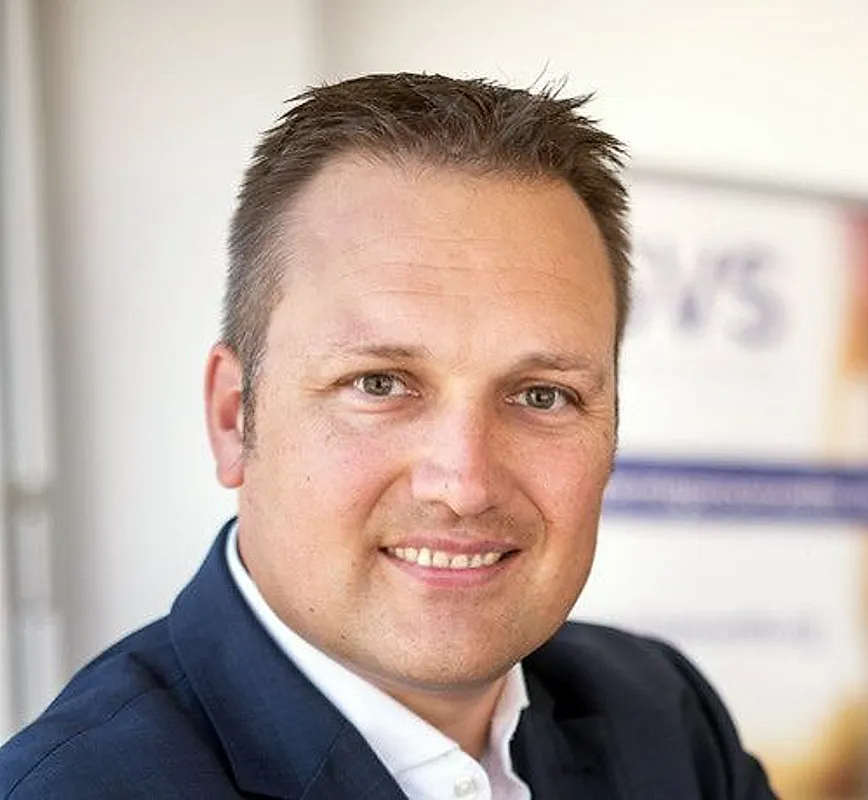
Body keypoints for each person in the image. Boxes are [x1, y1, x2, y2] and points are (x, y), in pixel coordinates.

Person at [0, 73, 777, 799]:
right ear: (235, 417)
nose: (465, 484)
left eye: (543, 395)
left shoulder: (667, 719)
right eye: (379, 384)